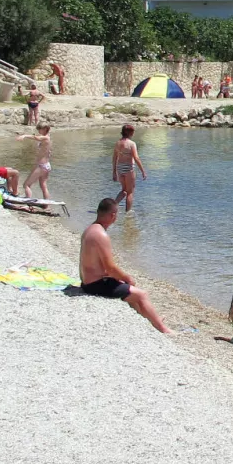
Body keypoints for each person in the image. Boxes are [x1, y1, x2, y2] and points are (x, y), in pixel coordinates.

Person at [77, 198, 171, 333]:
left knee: (128, 288)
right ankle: (163, 329)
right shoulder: (101, 235)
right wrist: (127, 278)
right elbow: (110, 268)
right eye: (117, 214)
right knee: (142, 294)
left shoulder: (90, 229)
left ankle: (149, 319)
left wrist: (120, 279)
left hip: (87, 282)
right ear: (112, 215)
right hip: (95, 286)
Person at [112, 124, 147, 209]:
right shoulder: (132, 144)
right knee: (130, 192)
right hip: (129, 168)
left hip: (120, 167)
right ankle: (128, 213)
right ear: (130, 132)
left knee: (124, 190)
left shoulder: (118, 143)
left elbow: (114, 157)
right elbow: (136, 158)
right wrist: (143, 171)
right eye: (133, 131)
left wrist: (114, 172)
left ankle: (112, 206)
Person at [16, 123, 53, 198]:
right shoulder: (48, 137)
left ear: (45, 129)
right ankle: (46, 206)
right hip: (46, 165)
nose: (38, 131)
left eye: (40, 129)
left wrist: (25, 135)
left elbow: (37, 138)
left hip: (41, 166)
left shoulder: (46, 138)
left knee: (26, 185)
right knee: (43, 186)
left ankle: (29, 203)